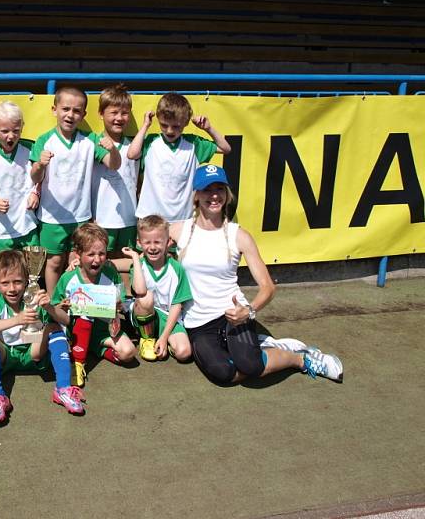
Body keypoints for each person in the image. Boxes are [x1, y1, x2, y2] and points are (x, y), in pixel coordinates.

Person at [169, 165, 344, 385]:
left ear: (227, 194)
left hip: (233, 314)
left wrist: (248, 311)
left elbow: (268, 287)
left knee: (250, 366)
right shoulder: (177, 231)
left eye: (219, 189)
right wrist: (115, 263)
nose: (214, 196)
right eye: (207, 189)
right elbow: (147, 252)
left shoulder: (239, 236)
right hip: (197, 321)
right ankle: (260, 346)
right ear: (196, 195)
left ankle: (299, 358)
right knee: (224, 375)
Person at [30, 86, 121, 295]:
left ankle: (79, 305)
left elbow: (113, 164)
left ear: (84, 115)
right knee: (53, 262)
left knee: (81, 261)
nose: (70, 115)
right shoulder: (44, 140)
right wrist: (40, 165)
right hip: (52, 216)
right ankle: (54, 305)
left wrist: (113, 149)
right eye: (65, 109)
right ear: (54, 110)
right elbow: (35, 177)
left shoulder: (90, 140)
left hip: (82, 216)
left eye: (76, 111)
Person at [0, 250, 83, 426]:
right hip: (7, 356)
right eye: (5, 283)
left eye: (18, 282)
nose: (12, 288)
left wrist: (49, 307)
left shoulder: (34, 297)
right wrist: (17, 320)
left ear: (28, 280)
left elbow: (67, 321)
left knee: (54, 327)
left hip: (34, 354)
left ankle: (63, 388)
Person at [51, 223, 137, 390]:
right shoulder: (68, 278)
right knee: (85, 311)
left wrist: (119, 304)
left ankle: (96, 349)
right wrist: (62, 306)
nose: (97, 259)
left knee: (128, 353)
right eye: (91, 254)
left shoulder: (110, 273)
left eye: (102, 253)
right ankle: (78, 362)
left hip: (105, 330)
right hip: (77, 331)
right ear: (78, 254)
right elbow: (55, 305)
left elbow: (122, 298)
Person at [128, 92, 231, 223]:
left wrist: (208, 128)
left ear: (185, 123)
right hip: (150, 220)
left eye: (176, 126)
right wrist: (145, 126)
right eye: (164, 125)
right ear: (158, 119)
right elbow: (131, 154)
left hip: (182, 220)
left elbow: (225, 148)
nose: (170, 131)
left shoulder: (193, 144)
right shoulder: (150, 141)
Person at [91, 84, 139, 283]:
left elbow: (140, 181)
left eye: (124, 113)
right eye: (114, 112)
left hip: (129, 219)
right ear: (101, 113)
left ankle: (125, 305)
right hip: (103, 218)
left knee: (128, 262)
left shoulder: (135, 145)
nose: (119, 118)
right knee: (101, 262)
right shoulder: (94, 141)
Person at [129, 215, 193, 362]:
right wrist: (135, 258)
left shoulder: (177, 269)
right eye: (147, 242)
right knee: (145, 298)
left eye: (158, 242)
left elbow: (177, 305)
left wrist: (164, 337)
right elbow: (139, 291)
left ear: (168, 242)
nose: (152, 247)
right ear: (139, 243)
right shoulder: (139, 265)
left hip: (168, 317)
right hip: (144, 313)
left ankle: (164, 342)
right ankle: (147, 338)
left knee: (184, 353)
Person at [0, 100, 40, 253]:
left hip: (28, 223)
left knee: (32, 269)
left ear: (22, 128)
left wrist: (35, 192)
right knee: (3, 271)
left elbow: (41, 176)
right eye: (5, 131)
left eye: (16, 131)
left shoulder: (31, 149)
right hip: (2, 228)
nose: (11, 136)